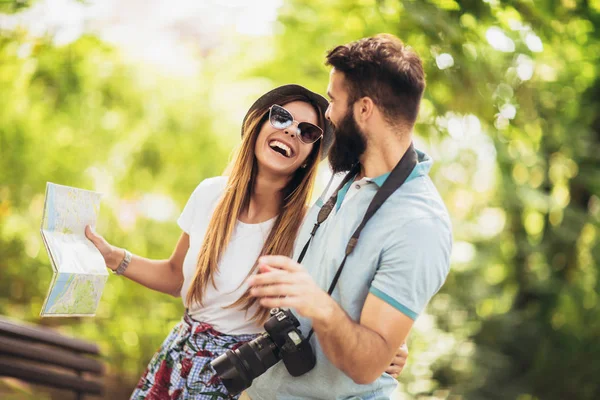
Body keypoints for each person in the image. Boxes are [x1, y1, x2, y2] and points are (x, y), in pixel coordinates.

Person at [85, 84, 408, 399]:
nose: (293, 131)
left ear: (310, 156)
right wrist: (113, 257)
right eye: (282, 117)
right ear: (258, 125)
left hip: (245, 377)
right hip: (180, 356)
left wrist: (385, 344)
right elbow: (176, 276)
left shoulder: (310, 226)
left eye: (308, 132)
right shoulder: (210, 193)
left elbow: (344, 292)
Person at [245, 34, 452, 399]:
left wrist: (324, 309)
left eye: (332, 100)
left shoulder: (420, 224)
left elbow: (368, 364)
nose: (327, 113)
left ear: (364, 109)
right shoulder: (344, 175)